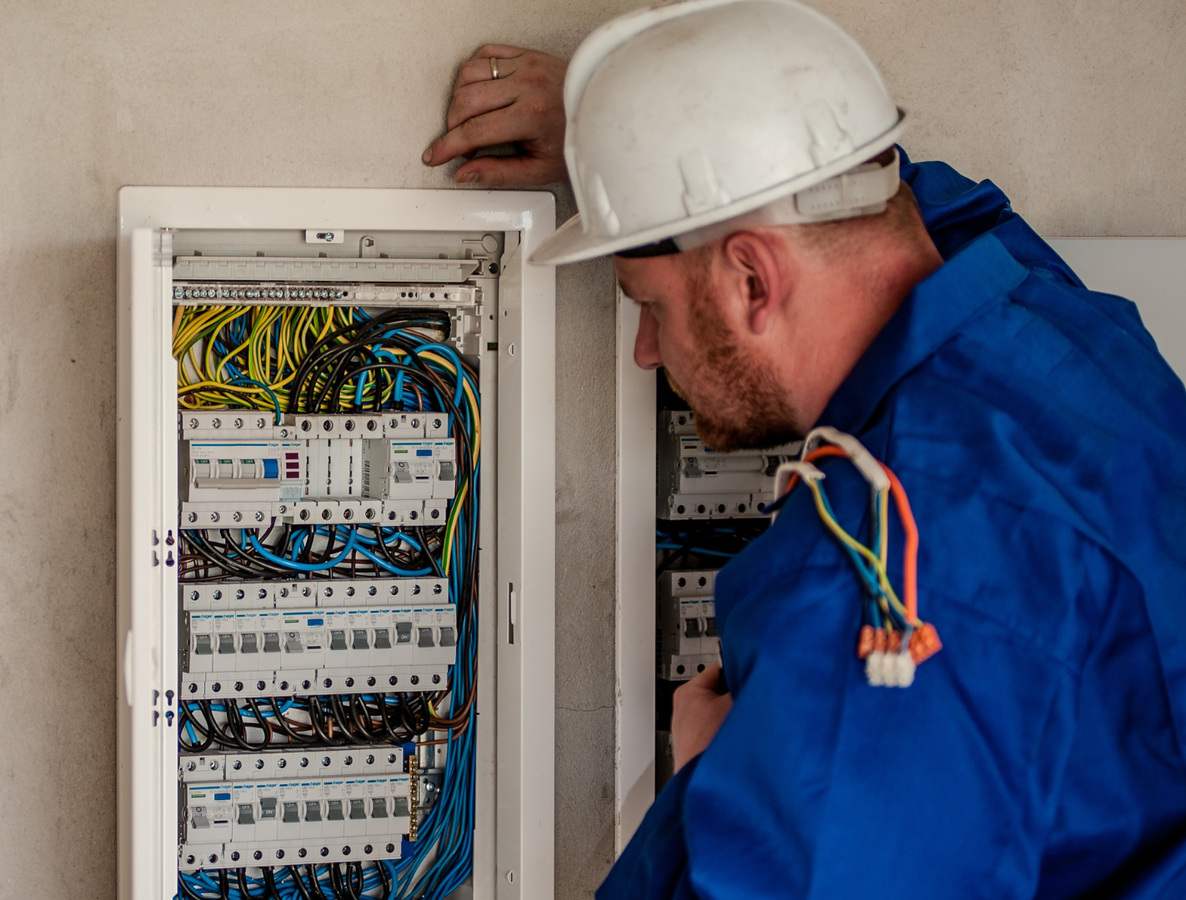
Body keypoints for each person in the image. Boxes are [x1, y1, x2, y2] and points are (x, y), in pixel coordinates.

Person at [424, 1, 1186, 897]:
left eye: (648, 305)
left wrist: (721, 786)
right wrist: (627, 144)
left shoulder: (879, 581)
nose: (646, 351)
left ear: (753, 278)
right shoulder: (1062, 327)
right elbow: (898, 195)